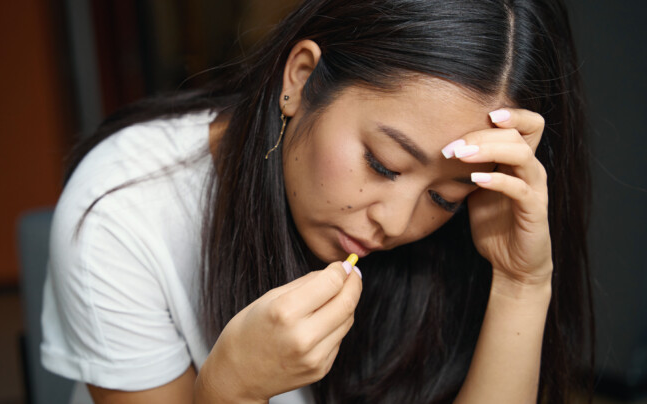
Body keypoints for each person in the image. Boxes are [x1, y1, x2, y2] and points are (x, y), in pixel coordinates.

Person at [41, 0, 594, 402]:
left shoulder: (463, 242)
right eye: (383, 164)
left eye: (445, 198)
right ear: (300, 78)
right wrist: (229, 390)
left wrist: (522, 283)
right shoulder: (122, 215)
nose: (395, 223)